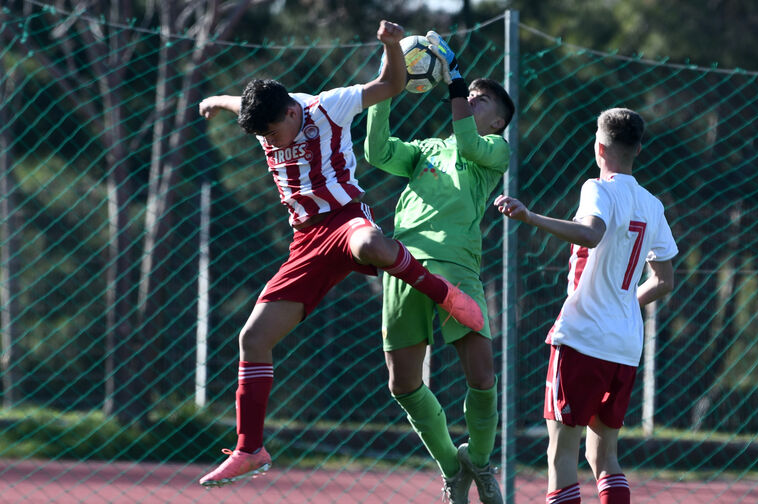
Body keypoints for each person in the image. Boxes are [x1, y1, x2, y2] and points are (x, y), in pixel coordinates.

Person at [196, 20, 485, 488]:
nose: (271, 141)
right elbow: (241, 108)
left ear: (292, 111)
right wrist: (218, 101)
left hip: (345, 220)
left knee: (371, 241)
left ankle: (445, 295)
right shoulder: (267, 123)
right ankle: (251, 448)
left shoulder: (327, 106)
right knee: (253, 338)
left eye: (274, 131)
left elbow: (391, 84)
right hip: (305, 242)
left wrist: (391, 45)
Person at [495, 108, 677, 504]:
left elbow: (592, 234)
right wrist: (626, 302)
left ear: (598, 147)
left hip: (582, 338)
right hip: (625, 344)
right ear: (639, 149)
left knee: (562, 453)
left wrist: (529, 216)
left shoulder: (597, 188)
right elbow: (664, 280)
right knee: (604, 455)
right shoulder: (652, 204)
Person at [364, 31, 514, 504]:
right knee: (403, 382)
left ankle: (483, 462)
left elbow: (468, 143)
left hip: (458, 271)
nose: (471, 98)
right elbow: (377, 150)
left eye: (481, 99)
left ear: (500, 121)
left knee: (482, 377)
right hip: (404, 265)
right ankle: (454, 465)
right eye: (469, 95)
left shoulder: (494, 152)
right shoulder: (426, 150)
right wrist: (386, 86)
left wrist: (455, 83)